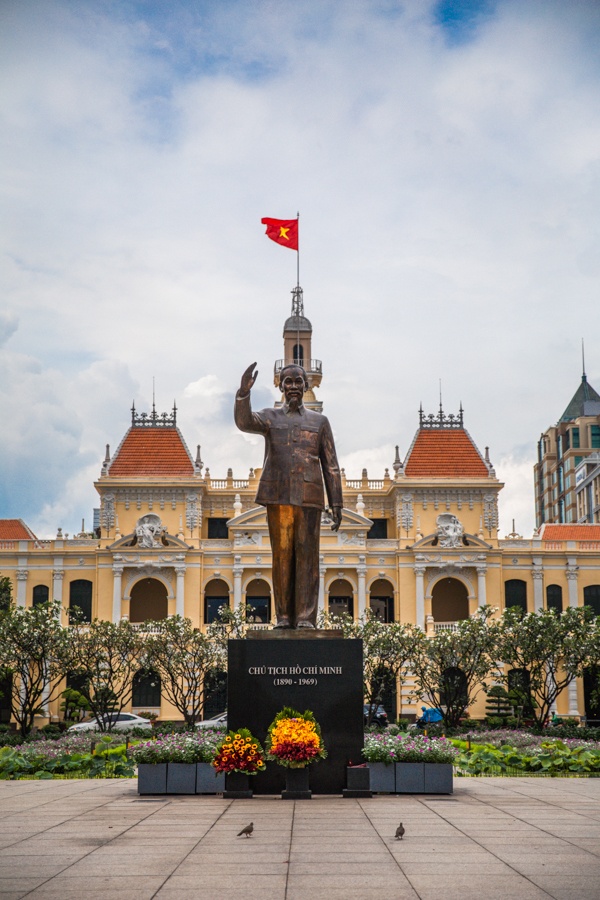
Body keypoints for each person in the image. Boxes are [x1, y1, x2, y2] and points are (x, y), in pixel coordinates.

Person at [234, 362, 343, 629]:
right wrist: (243, 394)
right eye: (288, 381)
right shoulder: (270, 417)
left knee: (307, 557)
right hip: (278, 493)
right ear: (280, 386)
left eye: (298, 381)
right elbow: (245, 422)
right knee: (281, 556)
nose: (293, 386)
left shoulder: (320, 422)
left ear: (306, 385)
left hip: (310, 495)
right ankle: (283, 617)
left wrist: (337, 502)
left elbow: (331, 464)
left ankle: (305, 618)